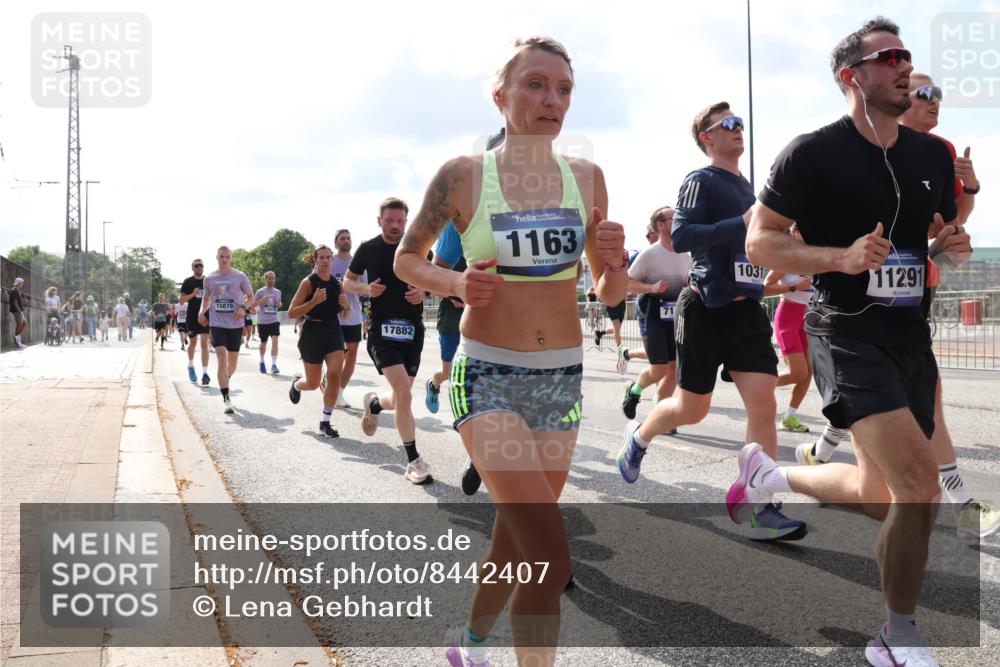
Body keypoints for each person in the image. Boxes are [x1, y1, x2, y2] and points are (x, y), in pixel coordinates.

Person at [740, 18, 975, 667]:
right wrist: (836, 257)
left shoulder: (929, 155)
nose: (905, 67)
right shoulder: (812, 153)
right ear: (852, 75)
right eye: (889, 56)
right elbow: (760, 241)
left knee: (883, 494)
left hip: (909, 334)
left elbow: (936, 236)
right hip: (844, 331)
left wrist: (948, 245)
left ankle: (767, 472)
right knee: (918, 484)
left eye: (908, 55)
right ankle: (896, 636)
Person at [394, 36, 627, 667]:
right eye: (535, 84)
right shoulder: (463, 176)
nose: (552, 99)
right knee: (549, 553)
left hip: (562, 380)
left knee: (518, 541)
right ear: (500, 96)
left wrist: (619, 261)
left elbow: (608, 289)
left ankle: (468, 646)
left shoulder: (588, 177)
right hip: (488, 374)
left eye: (563, 89)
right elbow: (406, 259)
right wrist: (455, 282)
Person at [615, 101, 804, 542]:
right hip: (704, 308)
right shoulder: (701, 180)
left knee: (764, 405)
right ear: (708, 138)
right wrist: (739, 221)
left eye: (741, 124)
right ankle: (639, 437)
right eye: (730, 125)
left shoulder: (750, 189)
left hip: (746, 311)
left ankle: (762, 506)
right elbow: (682, 236)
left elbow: (755, 245)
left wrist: (781, 238)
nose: (740, 131)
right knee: (691, 409)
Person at [344, 197, 434, 486]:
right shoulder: (368, 249)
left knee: (399, 397)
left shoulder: (417, 248)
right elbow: (347, 281)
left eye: (400, 221)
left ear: (406, 222)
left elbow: (435, 280)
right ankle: (413, 461)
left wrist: (425, 292)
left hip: (413, 331)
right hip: (382, 331)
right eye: (390, 220)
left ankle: (374, 404)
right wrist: (366, 289)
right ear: (379, 220)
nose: (395, 226)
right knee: (406, 395)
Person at [620, 206, 692, 424]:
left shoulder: (685, 254)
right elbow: (626, 284)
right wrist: (652, 288)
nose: (679, 219)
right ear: (661, 225)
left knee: (673, 370)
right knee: (660, 368)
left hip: (676, 317)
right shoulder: (649, 255)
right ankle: (634, 389)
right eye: (674, 217)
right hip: (652, 314)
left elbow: (688, 282)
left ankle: (660, 415)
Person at [287, 246, 349, 437]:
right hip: (312, 332)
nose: (324, 260)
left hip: (333, 332)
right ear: (315, 260)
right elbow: (291, 312)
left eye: (328, 257)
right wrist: (313, 302)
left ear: (332, 260)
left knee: (334, 375)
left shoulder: (337, 285)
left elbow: (345, 314)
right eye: (321, 257)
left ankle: (325, 422)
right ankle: (297, 384)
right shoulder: (308, 283)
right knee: (313, 383)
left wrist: (346, 308)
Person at [762, 225, 816, 434]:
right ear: (794, 232)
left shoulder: (816, 257)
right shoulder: (786, 258)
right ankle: (759, 387)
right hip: (788, 318)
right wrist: (793, 287)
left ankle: (789, 417)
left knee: (808, 371)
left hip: (809, 318)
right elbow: (766, 286)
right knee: (798, 372)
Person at [198, 246, 256, 414]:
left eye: (227, 256)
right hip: (217, 324)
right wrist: (202, 311)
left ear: (231, 258)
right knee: (222, 359)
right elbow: (206, 299)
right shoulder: (209, 279)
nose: (224, 259)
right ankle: (226, 398)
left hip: (236, 325)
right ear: (216, 257)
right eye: (222, 256)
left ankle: (225, 379)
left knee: (232, 365)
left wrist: (243, 308)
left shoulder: (239, 276)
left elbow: (251, 297)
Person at [615, 222, 660, 374]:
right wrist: (651, 288)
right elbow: (627, 285)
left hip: (674, 309)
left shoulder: (678, 252)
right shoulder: (642, 256)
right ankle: (627, 355)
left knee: (669, 357)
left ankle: (627, 354)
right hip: (650, 307)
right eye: (649, 234)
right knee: (657, 357)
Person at [332, 229, 364, 407]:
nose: (346, 241)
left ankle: (339, 393)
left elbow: (365, 287)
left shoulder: (357, 262)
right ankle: (328, 380)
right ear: (336, 243)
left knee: (351, 355)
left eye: (348, 238)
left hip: (352, 316)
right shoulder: (329, 260)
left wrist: (354, 287)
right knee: (336, 356)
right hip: (333, 317)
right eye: (342, 239)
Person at [180, 259, 212, 385]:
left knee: (204, 343)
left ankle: (205, 373)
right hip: (192, 317)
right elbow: (181, 300)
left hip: (205, 316)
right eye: (196, 265)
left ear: (203, 267)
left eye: (201, 265)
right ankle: (191, 365)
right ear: (192, 268)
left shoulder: (208, 281)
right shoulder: (188, 282)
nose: (199, 267)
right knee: (193, 343)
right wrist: (193, 294)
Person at [253, 271, 283, 374]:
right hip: (263, 322)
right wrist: (262, 300)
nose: (271, 280)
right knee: (263, 342)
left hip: (274, 320)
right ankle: (261, 361)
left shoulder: (278, 292)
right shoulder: (260, 292)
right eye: (269, 278)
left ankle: (274, 365)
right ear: (265, 279)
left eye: (273, 278)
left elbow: (279, 304)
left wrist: (279, 304)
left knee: (275, 340)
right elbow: (252, 304)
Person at [9, 277, 27, 349]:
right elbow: (15, 302)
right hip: (16, 311)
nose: (23, 284)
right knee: (20, 324)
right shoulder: (14, 291)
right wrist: (19, 310)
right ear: (19, 283)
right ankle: (17, 340)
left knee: (24, 324)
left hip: (19, 310)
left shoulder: (17, 291)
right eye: (22, 283)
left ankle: (17, 339)